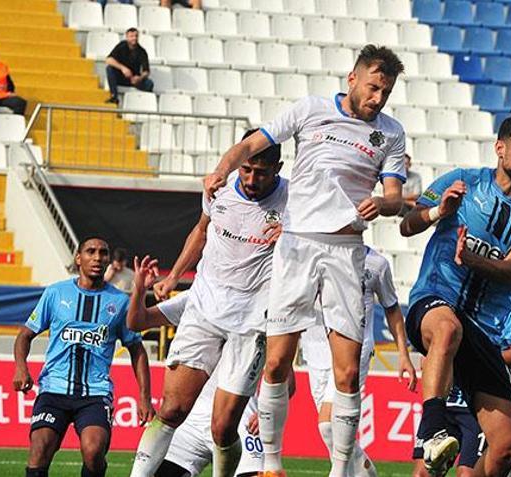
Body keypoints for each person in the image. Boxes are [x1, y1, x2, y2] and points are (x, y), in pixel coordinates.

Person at [202, 44, 407, 477]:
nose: (377, 99)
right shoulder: (311, 109)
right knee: (277, 361)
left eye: (385, 92)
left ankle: (339, 471)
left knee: (347, 372)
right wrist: (222, 168)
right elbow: (254, 143)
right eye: (372, 87)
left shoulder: (390, 133)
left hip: (346, 250)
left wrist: (384, 203)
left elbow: (393, 195)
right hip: (296, 245)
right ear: (352, 79)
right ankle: (271, 465)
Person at [400, 114, 511, 476]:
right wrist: (440, 211)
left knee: (506, 447)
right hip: (435, 299)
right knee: (447, 329)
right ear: (500, 149)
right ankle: (433, 426)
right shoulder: (462, 182)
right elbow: (407, 225)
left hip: (483, 331)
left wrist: (467, 256)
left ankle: (438, 435)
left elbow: (509, 269)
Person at [130, 129, 288, 477]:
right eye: (245, 169)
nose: (250, 178)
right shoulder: (219, 189)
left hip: (251, 322)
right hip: (204, 309)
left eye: (260, 172)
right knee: (171, 410)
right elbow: (201, 230)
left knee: (223, 428)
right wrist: (174, 277)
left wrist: (292, 240)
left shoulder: (294, 201)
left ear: (277, 167)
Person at [13, 236, 154, 477]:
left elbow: (137, 349)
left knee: (93, 450)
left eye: (103, 252)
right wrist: (21, 368)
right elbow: (24, 335)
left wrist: (144, 397)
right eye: (90, 251)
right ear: (79, 258)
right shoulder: (56, 293)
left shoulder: (120, 302)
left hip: (95, 393)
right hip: (53, 389)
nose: (97, 257)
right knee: (40, 448)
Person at [126, 256, 265, 477]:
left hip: (239, 424)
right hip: (189, 423)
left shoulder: (262, 305)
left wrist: (268, 411)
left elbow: (284, 375)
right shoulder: (198, 300)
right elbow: (137, 322)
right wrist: (140, 289)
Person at [303, 246, 417, 477]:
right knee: (335, 434)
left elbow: (392, 308)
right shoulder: (312, 252)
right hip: (315, 349)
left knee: (328, 426)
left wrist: (403, 354)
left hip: (355, 348)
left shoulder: (377, 264)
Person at [412, 288, 511, 477]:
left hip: (478, 402)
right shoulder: (448, 284)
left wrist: (476, 359)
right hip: (445, 397)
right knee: (423, 473)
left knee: (468, 473)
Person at [105, 28, 153, 105]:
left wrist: (139, 78)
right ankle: (114, 97)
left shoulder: (142, 51)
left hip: (134, 80)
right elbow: (108, 60)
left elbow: (146, 71)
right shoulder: (121, 46)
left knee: (149, 83)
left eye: (136, 36)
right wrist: (123, 68)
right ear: (127, 37)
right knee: (109, 69)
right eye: (131, 36)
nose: (134, 38)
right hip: (121, 77)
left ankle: (146, 103)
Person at [0, 42, 27, 116]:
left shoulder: (1, 67)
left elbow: (10, 84)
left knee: (20, 102)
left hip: (3, 95)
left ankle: (13, 125)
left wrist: (10, 92)